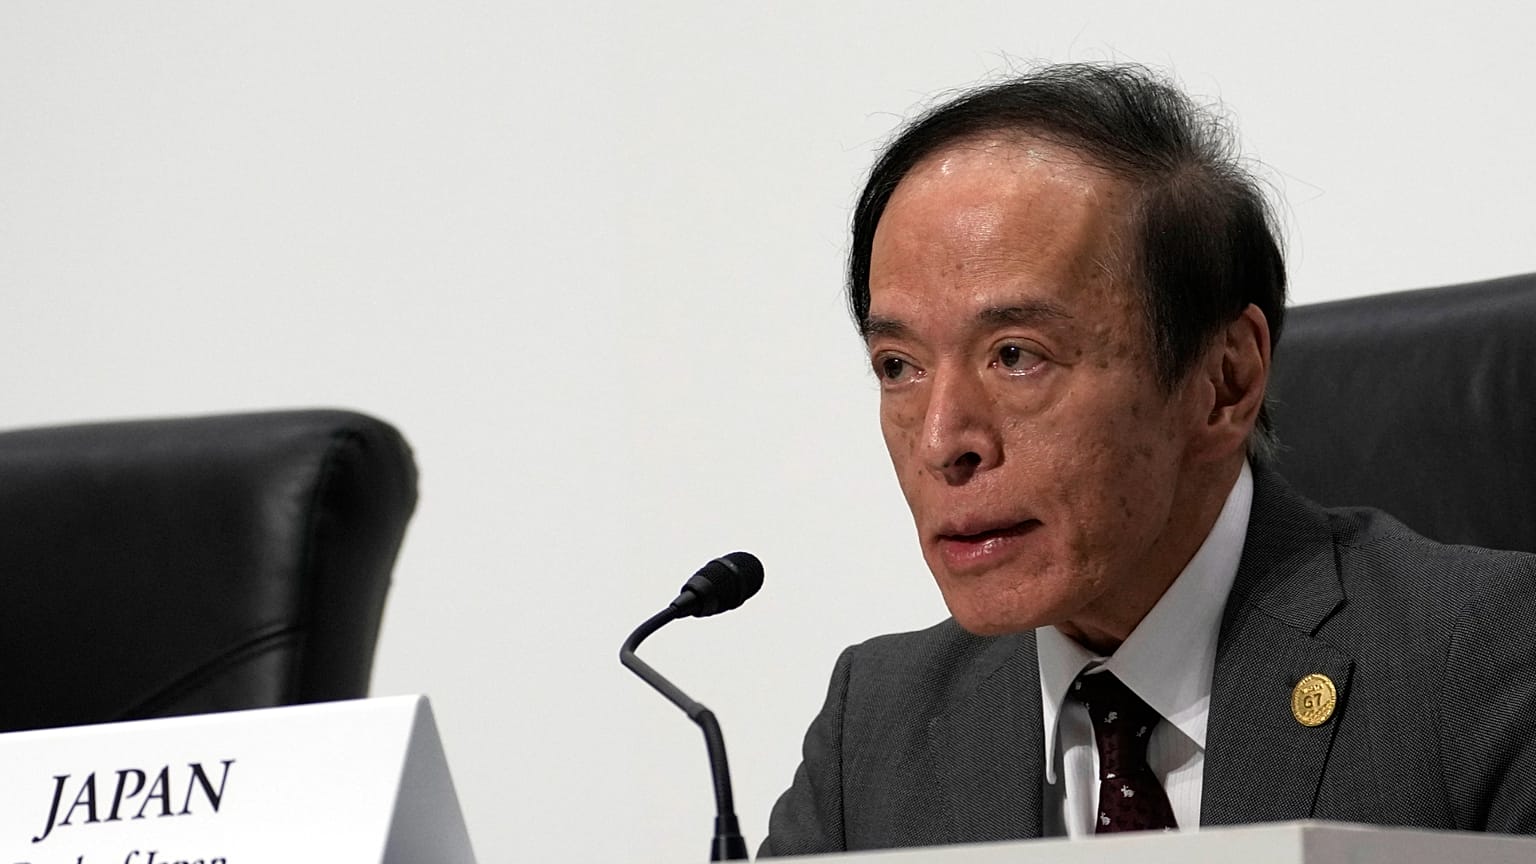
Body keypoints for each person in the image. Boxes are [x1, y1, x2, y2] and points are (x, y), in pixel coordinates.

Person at [758, 63, 1536, 856]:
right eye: (898, 366)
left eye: (1017, 355)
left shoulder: (1488, 664)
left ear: (1224, 380)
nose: (942, 441)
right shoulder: (877, 729)